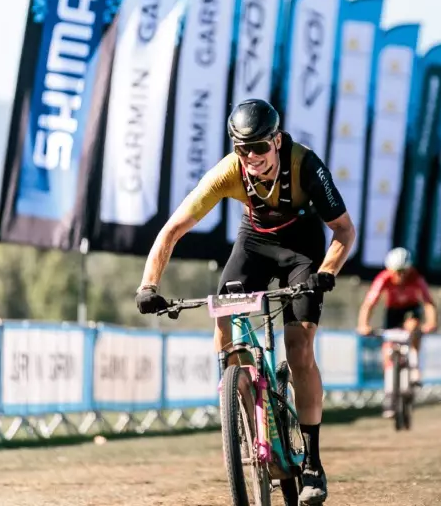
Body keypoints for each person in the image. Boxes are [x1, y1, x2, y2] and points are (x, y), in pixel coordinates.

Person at [135, 99, 356, 505]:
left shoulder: (305, 165)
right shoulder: (229, 172)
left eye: (259, 147)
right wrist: (148, 285)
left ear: (277, 140)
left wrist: (327, 271)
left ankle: (312, 463)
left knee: (299, 346)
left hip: (302, 249)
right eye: (242, 149)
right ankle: (244, 409)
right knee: (222, 314)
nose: (252, 157)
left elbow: (344, 229)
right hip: (254, 243)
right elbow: (172, 230)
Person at [356, 247, 437, 411]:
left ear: (409, 269)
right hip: (393, 311)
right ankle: (389, 393)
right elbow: (369, 304)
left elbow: (428, 303)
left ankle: (414, 367)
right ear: (389, 270)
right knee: (388, 349)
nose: (400, 276)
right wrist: (363, 324)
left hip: (411, 309)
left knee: (413, 327)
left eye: (403, 271)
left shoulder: (416, 278)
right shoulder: (383, 278)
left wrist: (431, 322)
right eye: (396, 272)